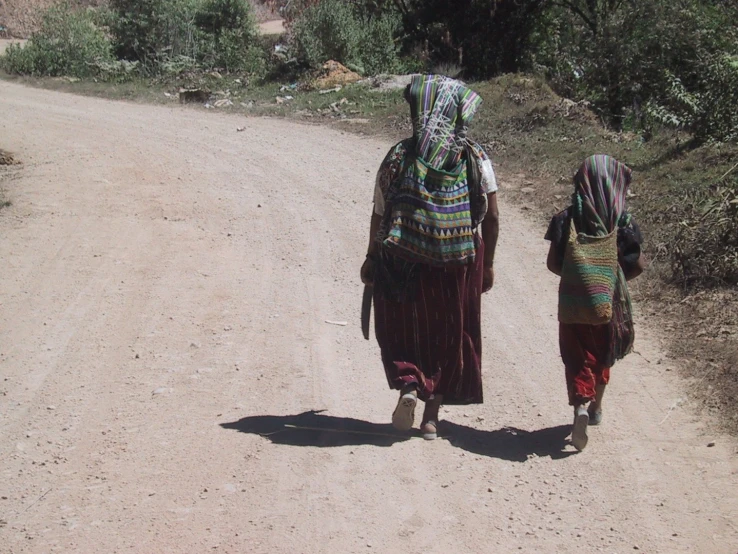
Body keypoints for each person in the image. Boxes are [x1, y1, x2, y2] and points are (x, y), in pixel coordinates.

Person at [360, 74, 499, 440]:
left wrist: (372, 256)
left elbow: (379, 209)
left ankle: (409, 383)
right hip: (458, 260)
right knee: (449, 330)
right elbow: (493, 215)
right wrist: (487, 265)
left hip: (403, 254)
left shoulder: (400, 155)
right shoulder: (475, 157)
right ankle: (431, 418)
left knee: (402, 324)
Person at [545, 155, 646, 451]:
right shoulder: (623, 222)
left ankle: (579, 405)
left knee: (575, 355)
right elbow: (637, 265)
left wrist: (581, 277)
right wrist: (608, 280)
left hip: (573, 302)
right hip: (607, 304)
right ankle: (596, 408)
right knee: (602, 353)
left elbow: (553, 263)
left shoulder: (566, 218)